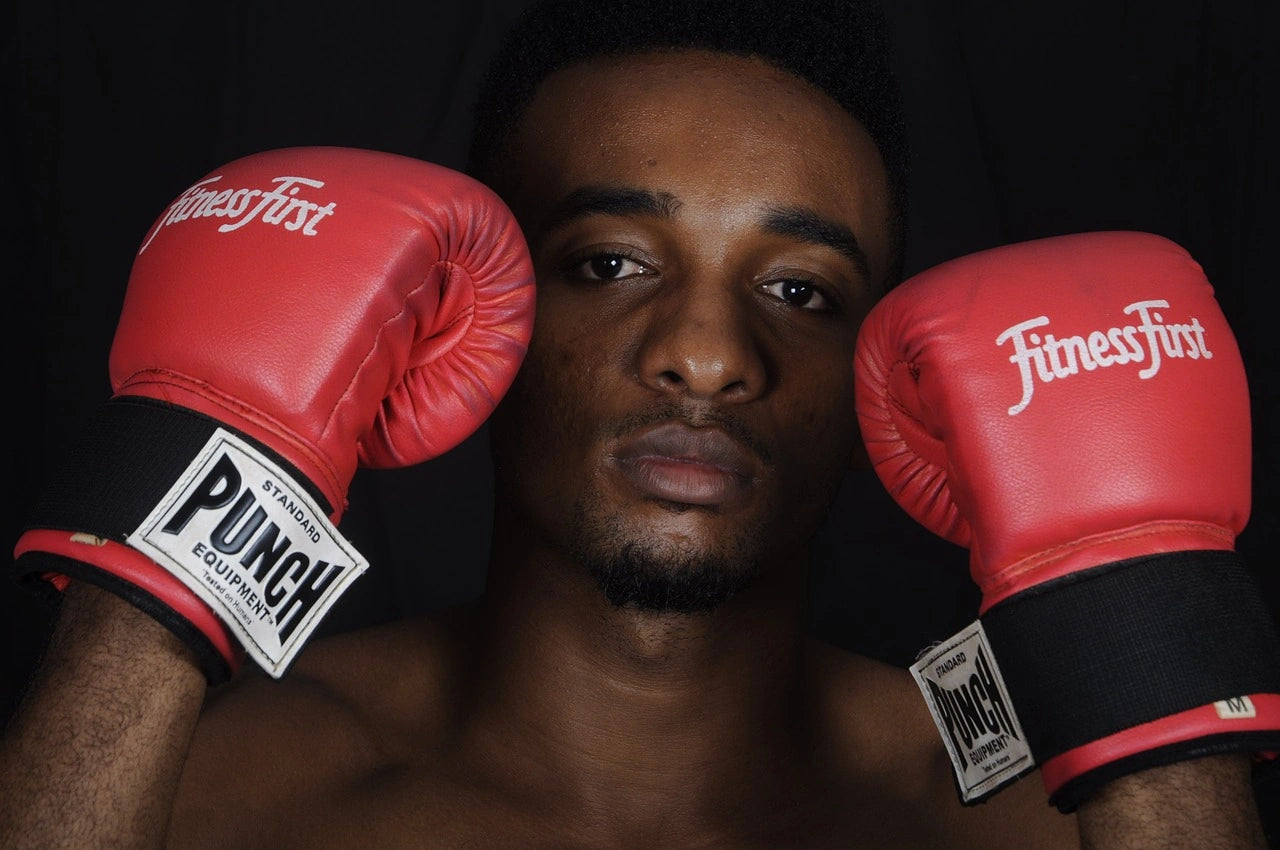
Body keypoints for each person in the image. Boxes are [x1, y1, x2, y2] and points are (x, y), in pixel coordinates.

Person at [2, 0, 1277, 847]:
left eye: (800, 291)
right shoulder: (202, 793)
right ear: (459, 315)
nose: (710, 358)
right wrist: (161, 552)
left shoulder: (1032, 821)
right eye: (610, 263)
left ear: (892, 381)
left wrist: (1132, 641)